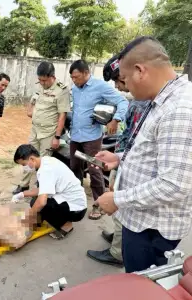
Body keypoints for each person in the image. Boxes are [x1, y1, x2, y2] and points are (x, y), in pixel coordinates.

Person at [96, 36, 192, 273]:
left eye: (125, 79)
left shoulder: (179, 109)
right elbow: (151, 150)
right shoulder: (162, 100)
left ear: (140, 71)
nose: (125, 87)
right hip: (141, 219)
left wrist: (118, 199)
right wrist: (119, 157)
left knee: (142, 286)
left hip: (152, 228)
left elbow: (174, 184)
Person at [86, 54, 150, 267]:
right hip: (122, 158)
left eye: (118, 80)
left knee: (123, 203)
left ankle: (117, 253)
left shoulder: (152, 104)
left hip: (132, 168)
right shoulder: (138, 101)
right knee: (118, 202)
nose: (118, 87)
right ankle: (118, 239)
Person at [69, 59, 128, 220]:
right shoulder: (75, 89)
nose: (74, 81)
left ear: (86, 73)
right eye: (72, 78)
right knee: (75, 168)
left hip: (91, 138)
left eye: (77, 77)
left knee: (95, 170)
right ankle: (76, 200)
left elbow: (122, 101)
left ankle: (99, 204)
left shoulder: (100, 86)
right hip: (75, 136)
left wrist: (115, 119)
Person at [13, 62, 71, 195]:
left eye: (44, 80)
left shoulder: (62, 90)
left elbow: (62, 115)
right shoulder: (40, 87)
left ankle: (42, 188)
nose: (42, 83)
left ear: (52, 76)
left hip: (48, 133)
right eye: (39, 80)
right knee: (27, 157)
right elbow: (34, 103)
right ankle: (23, 185)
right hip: (35, 130)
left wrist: (56, 137)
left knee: (43, 162)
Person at [12, 144, 87, 239]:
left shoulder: (46, 170)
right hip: (72, 201)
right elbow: (44, 189)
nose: (24, 167)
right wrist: (22, 194)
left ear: (31, 159)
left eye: (23, 164)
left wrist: (28, 218)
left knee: (40, 204)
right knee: (36, 202)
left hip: (76, 209)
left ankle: (67, 226)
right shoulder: (46, 161)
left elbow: (41, 202)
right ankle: (39, 218)